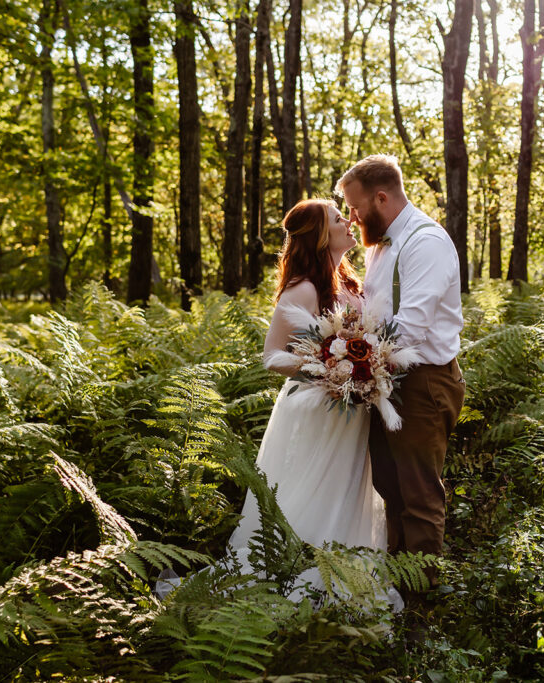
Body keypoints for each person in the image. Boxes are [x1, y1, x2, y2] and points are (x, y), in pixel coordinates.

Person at [155, 198, 387, 601]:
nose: (348, 222)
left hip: (354, 407)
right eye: (337, 219)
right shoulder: (303, 289)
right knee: (314, 490)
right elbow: (272, 356)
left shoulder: (350, 282)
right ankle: (298, 577)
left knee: (349, 488)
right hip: (318, 407)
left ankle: (350, 574)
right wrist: (325, 366)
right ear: (319, 235)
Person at [336, 155, 466, 607]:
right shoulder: (380, 245)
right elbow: (374, 315)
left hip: (423, 383)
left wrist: (354, 365)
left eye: (354, 207)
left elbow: (409, 328)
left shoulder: (426, 243)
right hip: (384, 381)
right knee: (389, 488)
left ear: (381, 197)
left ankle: (421, 599)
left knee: (418, 493)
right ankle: (395, 585)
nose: (352, 218)